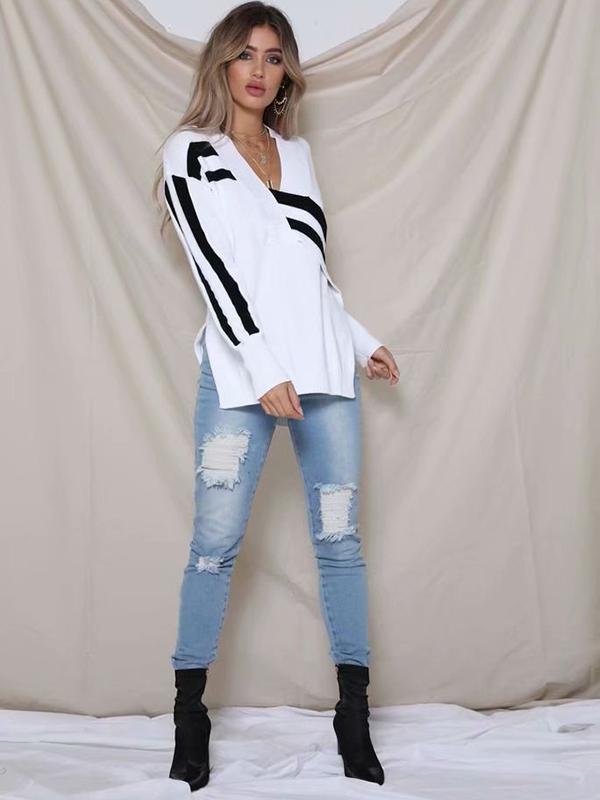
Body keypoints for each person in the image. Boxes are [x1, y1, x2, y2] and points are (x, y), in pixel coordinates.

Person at [153, 1, 399, 791]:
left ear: (286, 70)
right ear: (222, 64)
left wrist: (360, 342)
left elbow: (310, 275)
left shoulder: (299, 154)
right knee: (215, 545)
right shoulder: (190, 153)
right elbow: (217, 276)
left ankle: (353, 714)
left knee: (340, 543)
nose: (259, 70)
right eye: (245, 54)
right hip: (241, 376)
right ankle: (190, 716)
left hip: (324, 373)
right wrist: (263, 370)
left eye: (273, 56)